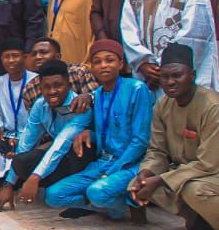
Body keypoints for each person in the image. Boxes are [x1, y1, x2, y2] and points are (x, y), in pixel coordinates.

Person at [128, 43, 219, 230]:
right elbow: (157, 150)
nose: (170, 82)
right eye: (165, 77)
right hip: (193, 172)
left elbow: (208, 163)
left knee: (194, 190)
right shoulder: (162, 105)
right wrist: (146, 173)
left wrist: (160, 180)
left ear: (192, 75)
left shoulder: (214, 108)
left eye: (177, 75)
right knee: (138, 183)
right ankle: (200, 219)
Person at [44, 40, 153, 219]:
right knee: (53, 195)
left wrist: (110, 172)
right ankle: (109, 205)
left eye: (109, 60)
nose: (103, 65)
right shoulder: (98, 95)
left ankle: (126, 205)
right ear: (92, 68)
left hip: (132, 164)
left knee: (97, 191)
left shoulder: (136, 89)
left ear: (120, 64)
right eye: (97, 62)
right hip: (103, 162)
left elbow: (140, 141)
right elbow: (110, 134)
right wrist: (90, 135)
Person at [0, 59, 94, 211]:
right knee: (21, 160)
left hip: (81, 158)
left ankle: (86, 199)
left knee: (75, 150)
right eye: (46, 87)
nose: (52, 91)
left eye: (58, 85)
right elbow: (26, 143)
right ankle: (55, 187)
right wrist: (8, 185)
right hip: (59, 156)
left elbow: (62, 143)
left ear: (68, 85)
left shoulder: (80, 108)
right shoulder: (40, 105)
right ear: (40, 88)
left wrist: (35, 177)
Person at [0, 38, 37, 180]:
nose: (11, 60)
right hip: (8, 136)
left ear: (25, 57)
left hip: (30, 136)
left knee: (24, 159)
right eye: (7, 56)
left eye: (15, 56)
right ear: (1, 59)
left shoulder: (36, 80)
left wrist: (22, 139)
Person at [20, 37, 98, 111]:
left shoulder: (78, 73)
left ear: (58, 56)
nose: (38, 57)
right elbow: (35, 118)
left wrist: (89, 96)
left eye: (43, 52)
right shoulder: (30, 88)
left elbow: (96, 96)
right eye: (34, 54)